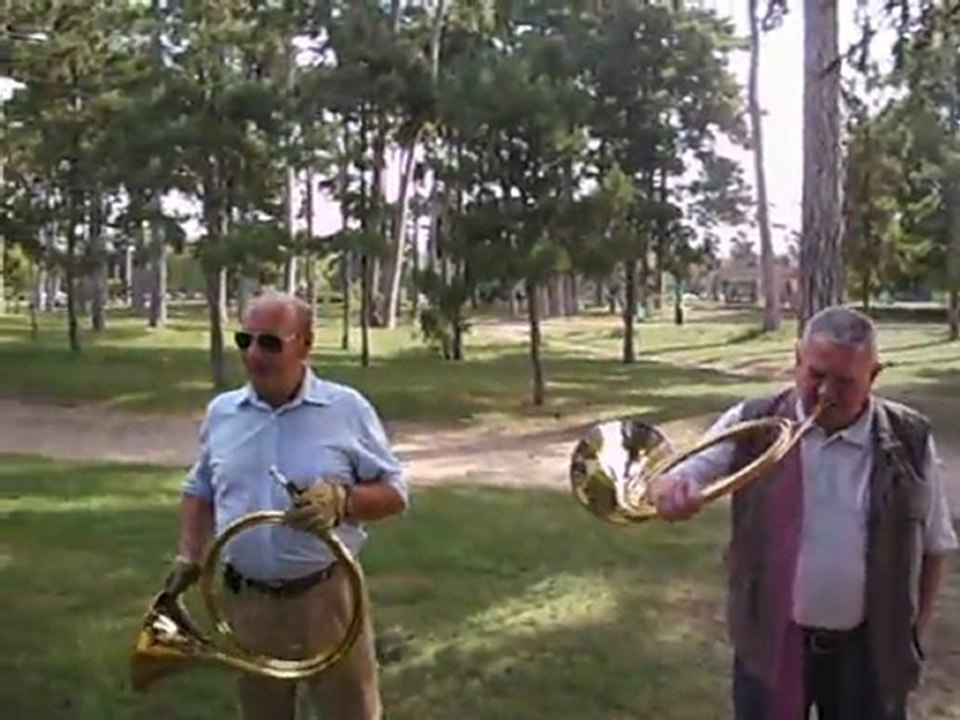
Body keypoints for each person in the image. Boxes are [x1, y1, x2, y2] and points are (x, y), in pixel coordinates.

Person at [653, 305, 957, 720]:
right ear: (797, 360)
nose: (826, 393)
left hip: (869, 657)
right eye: (816, 374)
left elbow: (936, 546)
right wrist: (671, 490)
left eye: (845, 381)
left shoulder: (912, 438)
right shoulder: (752, 421)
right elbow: (680, 474)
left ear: (875, 375)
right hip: (771, 646)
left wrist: (914, 636)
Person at [162, 291, 408, 720]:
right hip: (247, 601)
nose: (254, 354)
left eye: (270, 342)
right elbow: (199, 486)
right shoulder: (223, 412)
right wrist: (189, 553)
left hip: (327, 598)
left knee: (349, 713)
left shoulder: (346, 409)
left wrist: (344, 500)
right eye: (245, 340)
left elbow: (395, 494)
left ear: (306, 344)